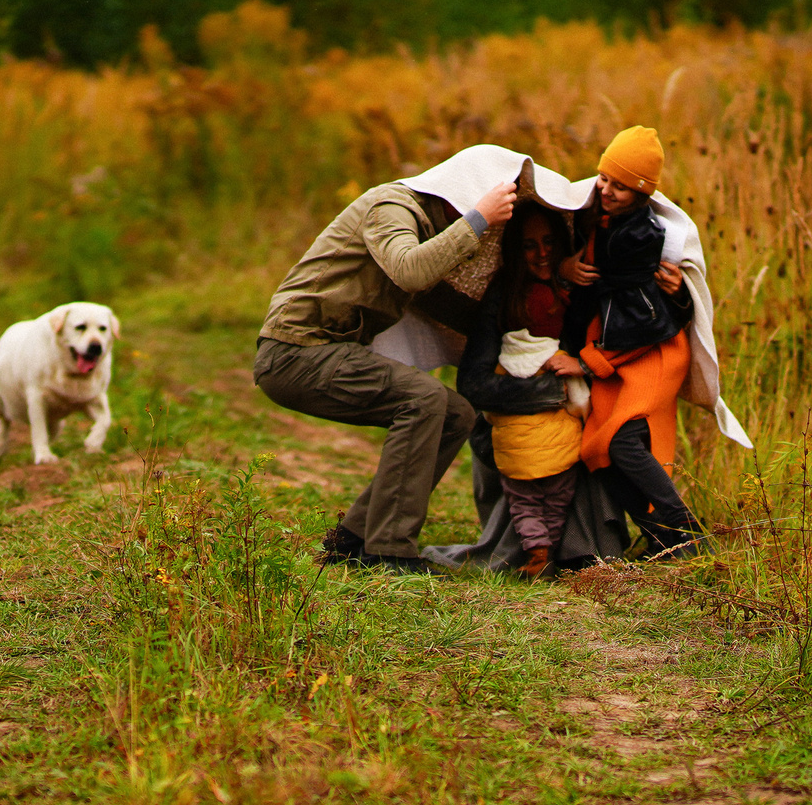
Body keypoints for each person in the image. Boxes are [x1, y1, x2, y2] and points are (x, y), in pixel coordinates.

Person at [253, 168, 519, 571]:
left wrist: (526, 329)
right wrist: (478, 218)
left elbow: (442, 304)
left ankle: (354, 537)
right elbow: (410, 269)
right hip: (297, 351)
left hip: (324, 351)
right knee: (425, 398)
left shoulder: (422, 227)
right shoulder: (392, 207)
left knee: (454, 414)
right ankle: (389, 550)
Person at [543, 126, 708, 561]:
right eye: (604, 179)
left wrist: (586, 361)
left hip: (650, 354)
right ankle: (661, 538)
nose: (608, 190)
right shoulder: (590, 213)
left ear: (642, 193)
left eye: (621, 186)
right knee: (597, 449)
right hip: (614, 352)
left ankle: (688, 535)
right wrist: (566, 270)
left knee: (621, 442)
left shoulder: (640, 236)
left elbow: (645, 320)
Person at [481, 208, 589, 579]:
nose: (542, 253)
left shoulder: (505, 352)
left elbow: (491, 410)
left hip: (514, 453)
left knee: (524, 504)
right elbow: (580, 402)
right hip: (559, 447)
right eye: (530, 246)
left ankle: (537, 552)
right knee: (557, 502)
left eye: (549, 243)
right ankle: (552, 550)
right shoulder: (557, 345)